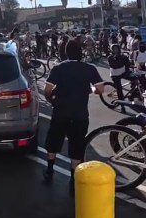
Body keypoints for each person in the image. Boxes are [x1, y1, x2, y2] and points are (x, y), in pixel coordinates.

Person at [42, 40, 105, 194]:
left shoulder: (58, 68)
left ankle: (49, 170)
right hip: (80, 114)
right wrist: (90, 90)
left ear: (65, 52)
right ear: (81, 52)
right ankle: (73, 180)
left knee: (54, 141)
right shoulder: (89, 68)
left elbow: (47, 89)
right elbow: (100, 89)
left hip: (60, 113)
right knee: (76, 146)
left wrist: (51, 100)